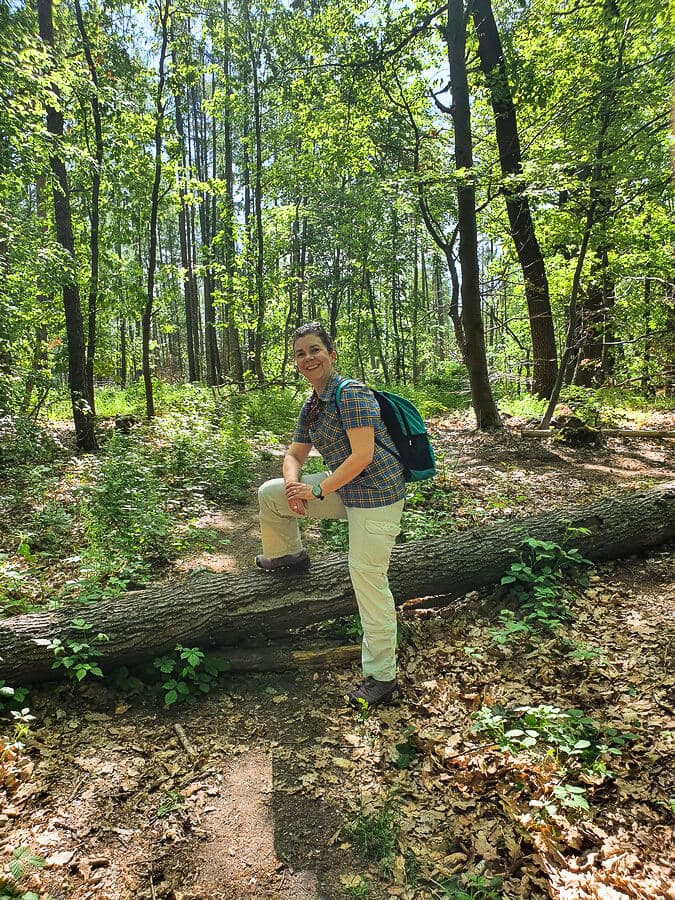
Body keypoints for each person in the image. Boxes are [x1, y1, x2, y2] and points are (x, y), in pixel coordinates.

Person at [256, 322, 406, 708]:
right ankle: (288, 554)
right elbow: (294, 455)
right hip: (346, 488)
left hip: (376, 495)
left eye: (315, 350)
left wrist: (318, 489)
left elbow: (363, 456)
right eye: (300, 353)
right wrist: (293, 487)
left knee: (368, 580)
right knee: (271, 494)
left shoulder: (351, 393)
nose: (308, 358)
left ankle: (381, 676)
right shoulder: (312, 405)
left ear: (331, 355)